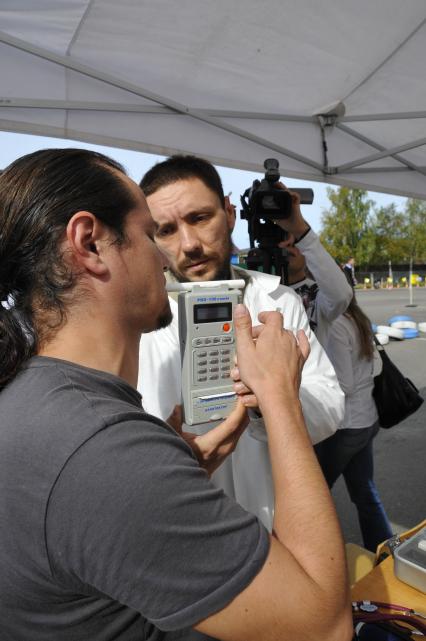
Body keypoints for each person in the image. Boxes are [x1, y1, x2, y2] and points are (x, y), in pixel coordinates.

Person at [0, 148, 352, 641]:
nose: (178, 248)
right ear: (89, 244)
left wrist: (167, 461)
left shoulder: (36, 398)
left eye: (200, 219)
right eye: (154, 232)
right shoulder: (103, 449)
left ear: (229, 214)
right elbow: (326, 627)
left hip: (227, 549)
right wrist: (277, 401)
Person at [138, 154, 344, 530]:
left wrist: (269, 401)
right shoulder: (135, 322)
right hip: (181, 527)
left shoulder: (277, 301)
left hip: (275, 521)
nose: (189, 245)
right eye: (166, 230)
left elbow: (330, 409)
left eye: (200, 218)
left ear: (229, 213)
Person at [315, 293, 393, 552]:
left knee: (315, 493)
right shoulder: (357, 318)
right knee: (365, 493)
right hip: (367, 419)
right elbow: (371, 368)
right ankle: (383, 551)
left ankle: (321, 557)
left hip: (345, 426)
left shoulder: (336, 325)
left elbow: (344, 384)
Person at [275, 190, 353, 347]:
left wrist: (302, 232)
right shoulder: (259, 287)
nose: (290, 245)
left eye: (296, 240)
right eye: (283, 238)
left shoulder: (317, 295)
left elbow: (341, 296)